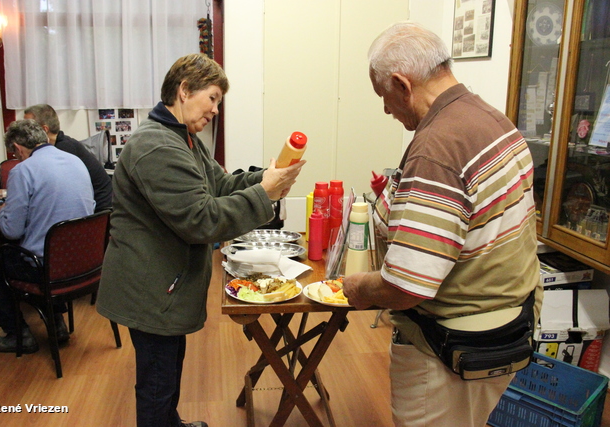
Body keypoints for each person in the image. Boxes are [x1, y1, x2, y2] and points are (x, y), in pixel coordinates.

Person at [341, 22, 542, 427]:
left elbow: (405, 285)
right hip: (512, 322)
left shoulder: (437, 149)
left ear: (402, 84)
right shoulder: (490, 118)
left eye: (383, 96)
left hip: (453, 345)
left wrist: (357, 288)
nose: (385, 108)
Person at [96, 53, 305, 427]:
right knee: (158, 381)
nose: (215, 110)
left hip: (163, 284)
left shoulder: (182, 139)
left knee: (167, 370)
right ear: (184, 90)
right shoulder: (157, 147)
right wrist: (266, 194)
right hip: (150, 288)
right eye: (211, 98)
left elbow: (220, 185)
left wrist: (264, 178)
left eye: (218, 102)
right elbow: (202, 219)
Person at [0, 119, 95, 354]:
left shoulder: (22, 170)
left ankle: (18, 334)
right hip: (84, 264)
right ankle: (56, 322)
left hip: (46, 268)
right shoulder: (76, 161)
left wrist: (2, 211)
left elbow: (11, 231)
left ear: (17, 148)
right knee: (42, 247)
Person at [23, 104, 113, 212]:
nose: (23, 130)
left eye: (28, 126)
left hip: (98, 209)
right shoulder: (58, 145)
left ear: (44, 129)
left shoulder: (64, 149)